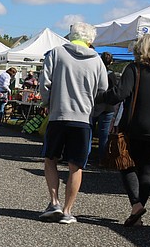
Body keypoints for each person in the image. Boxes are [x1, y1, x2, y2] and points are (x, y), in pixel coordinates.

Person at [97, 34, 150, 227]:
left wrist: (99, 96)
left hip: (137, 126)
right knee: (147, 171)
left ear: (139, 50)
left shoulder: (133, 69)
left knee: (127, 165)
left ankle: (136, 206)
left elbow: (119, 94)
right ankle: (137, 213)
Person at [38, 22, 108, 224]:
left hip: (58, 115)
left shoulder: (56, 53)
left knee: (50, 159)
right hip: (83, 119)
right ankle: (68, 211)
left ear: (70, 35)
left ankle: (54, 202)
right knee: (76, 166)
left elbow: (45, 83)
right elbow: (103, 91)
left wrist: (48, 102)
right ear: (90, 40)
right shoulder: (97, 60)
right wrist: (93, 111)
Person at [90, 52, 117, 165]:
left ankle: (84, 158)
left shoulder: (95, 72)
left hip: (94, 105)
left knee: (89, 133)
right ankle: (102, 160)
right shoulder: (112, 75)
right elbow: (115, 91)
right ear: (111, 62)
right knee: (104, 135)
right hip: (107, 107)